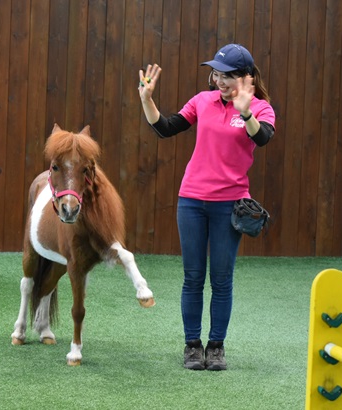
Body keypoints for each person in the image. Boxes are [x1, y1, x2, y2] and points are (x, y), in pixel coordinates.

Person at [138, 44, 275, 371]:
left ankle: (216, 347)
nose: (220, 80)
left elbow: (263, 137)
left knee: (222, 279)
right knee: (193, 277)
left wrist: (245, 112)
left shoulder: (259, 108)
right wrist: (147, 100)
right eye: (216, 73)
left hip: (229, 205)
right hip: (192, 202)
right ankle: (191, 345)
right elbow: (167, 127)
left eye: (228, 75)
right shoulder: (202, 100)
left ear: (246, 77)